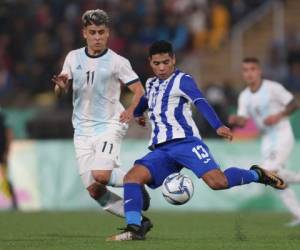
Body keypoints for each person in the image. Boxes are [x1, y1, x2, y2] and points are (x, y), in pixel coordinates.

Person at [107, 40, 286, 241]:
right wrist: (139, 113)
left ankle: (258, 174)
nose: (162, 67)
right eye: (157, 63)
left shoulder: (183, 80)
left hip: (186, 143)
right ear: (151, 62)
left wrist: (217, 125)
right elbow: (146, 100)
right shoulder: (151, 83)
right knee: (132, 177)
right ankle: (136, 227)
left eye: (166, 62)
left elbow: (200, 101)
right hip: (162, 150)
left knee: (218, 182)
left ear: (173, 59)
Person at [52, 9, 151, 231]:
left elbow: (139, 90)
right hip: (82, 130)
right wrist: (60, 87)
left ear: (108, 34)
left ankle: (134, 181)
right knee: (94, 190)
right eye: (93, 32)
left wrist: (134, 109)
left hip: (109, 124)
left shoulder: (118, 61)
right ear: (84, 33)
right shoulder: (72, 57)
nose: (97, 37)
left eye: (101, 32)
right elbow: (60, 91)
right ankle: (138, 220)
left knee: (101, 175)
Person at [228, 57, 300, 226]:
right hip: (267, 139)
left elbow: (294, 103)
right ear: (243, 74)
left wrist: (278, 115)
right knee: (273, 178)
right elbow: (244, 121)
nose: (249, 73)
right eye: (245, 70)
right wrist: (236, 119)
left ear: (259, 71)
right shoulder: (244, 96)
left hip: (282, 133)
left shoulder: (272, 88)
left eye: (252, 69)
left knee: (269, 171)